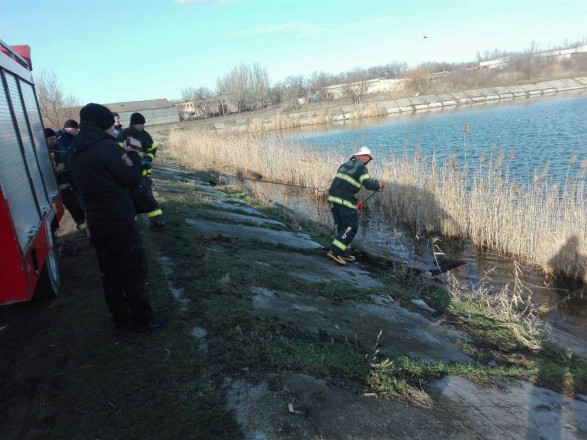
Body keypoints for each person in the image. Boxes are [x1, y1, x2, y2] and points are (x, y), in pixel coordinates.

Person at [67, 103, 167, 332]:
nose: (113, 127)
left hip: (94, 220)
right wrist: (133, 155)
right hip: (118, 219)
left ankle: (120, 319)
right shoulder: (107, 148)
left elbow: (73, 184)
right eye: (110, 123)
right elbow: (131, 176)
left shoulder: (72, 151)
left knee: (109, 273)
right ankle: (143, 319)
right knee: (132, 269)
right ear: (103, 123)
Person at [326, 146, 385, 266]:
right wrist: (379, 185)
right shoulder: (361, 167)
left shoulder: (344, 165)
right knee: (351, 227)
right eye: (365, 156)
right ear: (358, 156)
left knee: (343, 227)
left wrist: (354, 203)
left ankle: (344, 252)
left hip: (335, 199)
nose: (366, 159)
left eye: (368, 157)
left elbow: (344, 186)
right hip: (344, 201)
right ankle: (334, 251)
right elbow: (368, 184)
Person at [117, 112, 165, 228]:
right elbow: (118, 153)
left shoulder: (145, 135)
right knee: (130, 200)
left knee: (148, 197)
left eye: (144, 124)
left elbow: (152, 149)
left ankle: (157, 221)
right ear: (134, 124)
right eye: (141, 124)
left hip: (144, 175)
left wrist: (148, 159)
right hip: (130, 175)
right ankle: (133, 226)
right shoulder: (124, 135)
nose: (143, 126)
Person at [52, 120, 87, 232]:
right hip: (63, 181)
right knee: (75, 205)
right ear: (68, 128)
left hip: (72, 178)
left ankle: (87, 227)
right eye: (75, 128)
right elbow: (65, 156)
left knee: (80, 204)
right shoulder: (60, 140)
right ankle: (85, 228)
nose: (76, 131)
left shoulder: (70, 137)